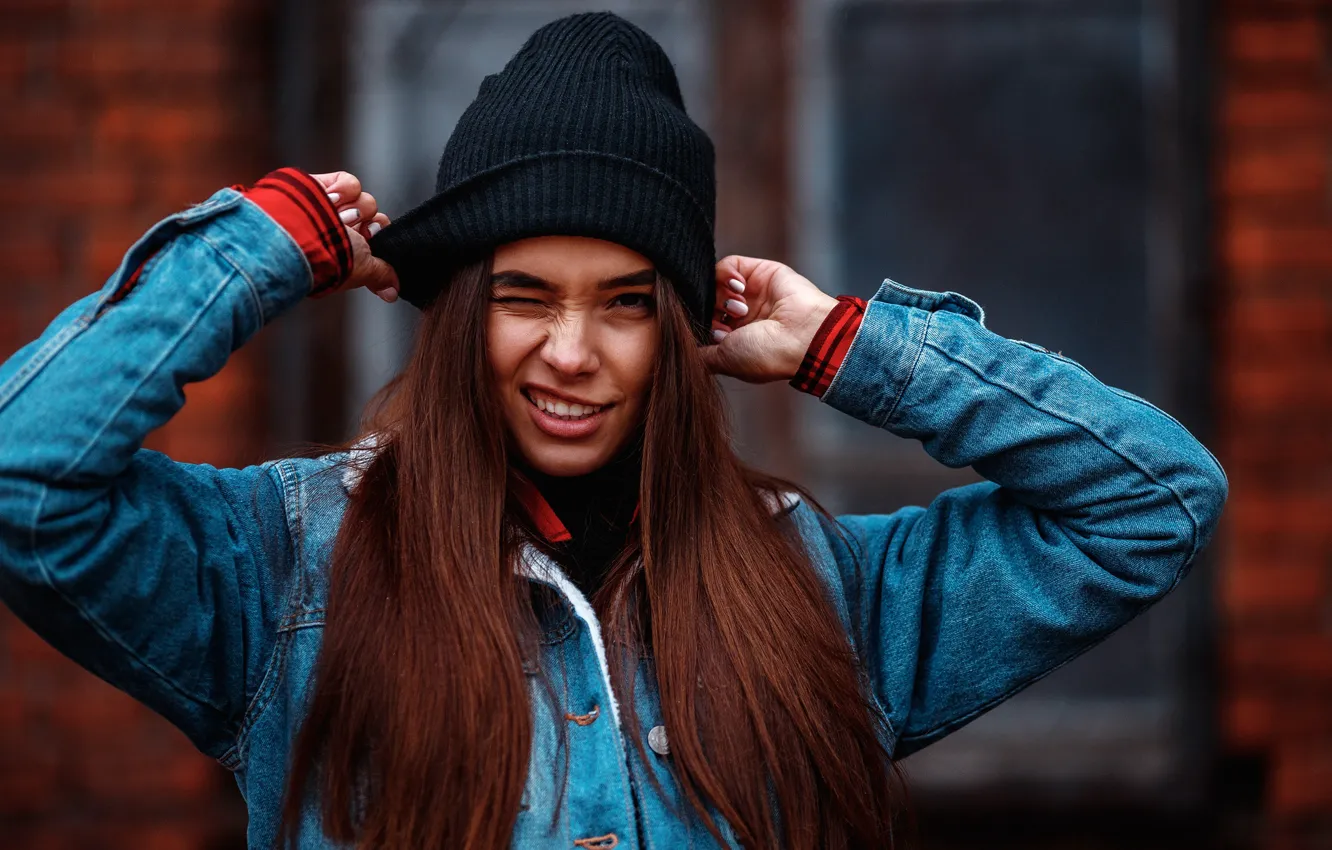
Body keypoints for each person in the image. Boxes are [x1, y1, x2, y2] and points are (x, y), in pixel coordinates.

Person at [0, 12, 1225, 850]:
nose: (572, 350)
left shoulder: (818, 589)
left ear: (679, 336)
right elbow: (25, 476)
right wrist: (268, 243)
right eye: (525, 296)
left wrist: (844, 346)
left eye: (627, 303)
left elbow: (1153, 499)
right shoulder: (281, 569)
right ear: (465, 314)